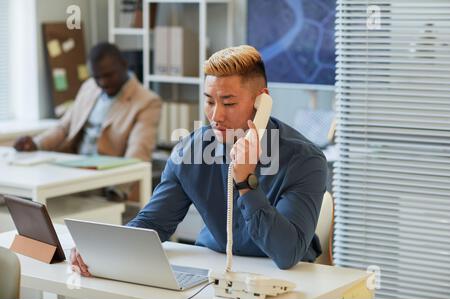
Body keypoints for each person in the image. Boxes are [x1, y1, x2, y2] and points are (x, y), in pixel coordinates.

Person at [71, 45, 327, 276]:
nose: (216, 116)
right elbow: (153, 223)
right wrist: (101, 249)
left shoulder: (305, 160)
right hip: (214, 272)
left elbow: (286, 254)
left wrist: (247, 182)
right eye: (209, 101)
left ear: (261, 101)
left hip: (287, 281)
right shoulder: (191, 151)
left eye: (229, 103)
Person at [14, 42, 161, 201]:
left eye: (109, 75)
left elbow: (138, 150)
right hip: (73, 170)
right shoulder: (89, 88)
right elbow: (64, 127)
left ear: (124, 65)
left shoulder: (147, 101)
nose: (103, 82)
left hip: (106, 180)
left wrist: (118, 189)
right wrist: (36, 144)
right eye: (97, 77)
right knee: (20, 196)